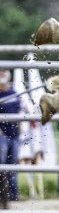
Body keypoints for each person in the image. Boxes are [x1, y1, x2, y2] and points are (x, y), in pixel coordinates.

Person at [0, 69, 21, 202]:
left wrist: (19, 127)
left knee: (12, 164)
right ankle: (2, 195)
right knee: (1, 164)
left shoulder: (14, 93)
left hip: (14, 134)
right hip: (2, 134)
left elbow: (18, 112)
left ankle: (13, 193)